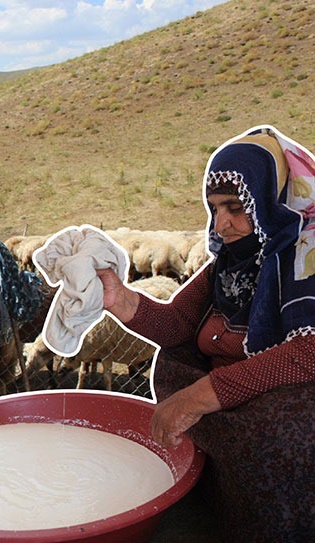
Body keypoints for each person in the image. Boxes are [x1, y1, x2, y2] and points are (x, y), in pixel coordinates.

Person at [97, 126, 315, 540]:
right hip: (227, 407)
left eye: (236, 207)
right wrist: (122, 301)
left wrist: (200, 397)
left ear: (270, 201)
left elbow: (309, 352)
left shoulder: (306, 260)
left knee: (284, 429)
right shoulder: (226, 265)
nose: (222, 223)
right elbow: (178, 325)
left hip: (274, 411)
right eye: (215, 208)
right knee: (176, 366)